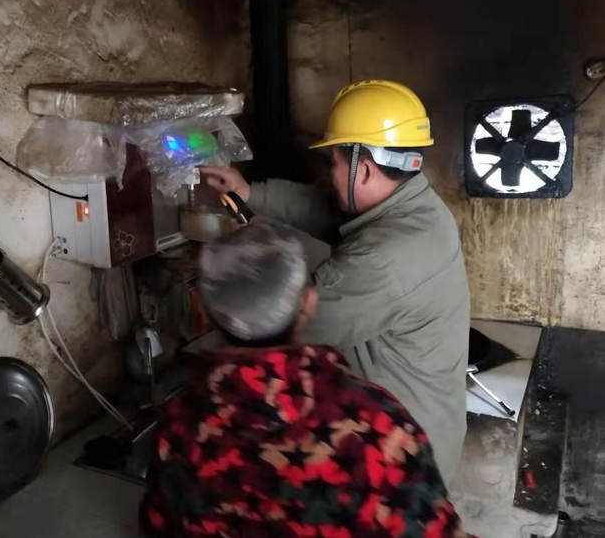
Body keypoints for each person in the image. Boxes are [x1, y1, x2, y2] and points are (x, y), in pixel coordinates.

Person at [201, 80, 470, 484]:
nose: (330, 173)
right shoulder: (414, 206)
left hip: (402, 463)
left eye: (334, 162)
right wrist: (248, 193)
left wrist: (244, 265)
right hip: (419, 426)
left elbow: (283, 328)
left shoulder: (383, 259)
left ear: (365, 168)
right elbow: (325, 208)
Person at [141, 222, 466, 537]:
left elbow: (158, 523)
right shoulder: (374, 423)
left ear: (210, 312)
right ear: (309, 303)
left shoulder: (179, 426)